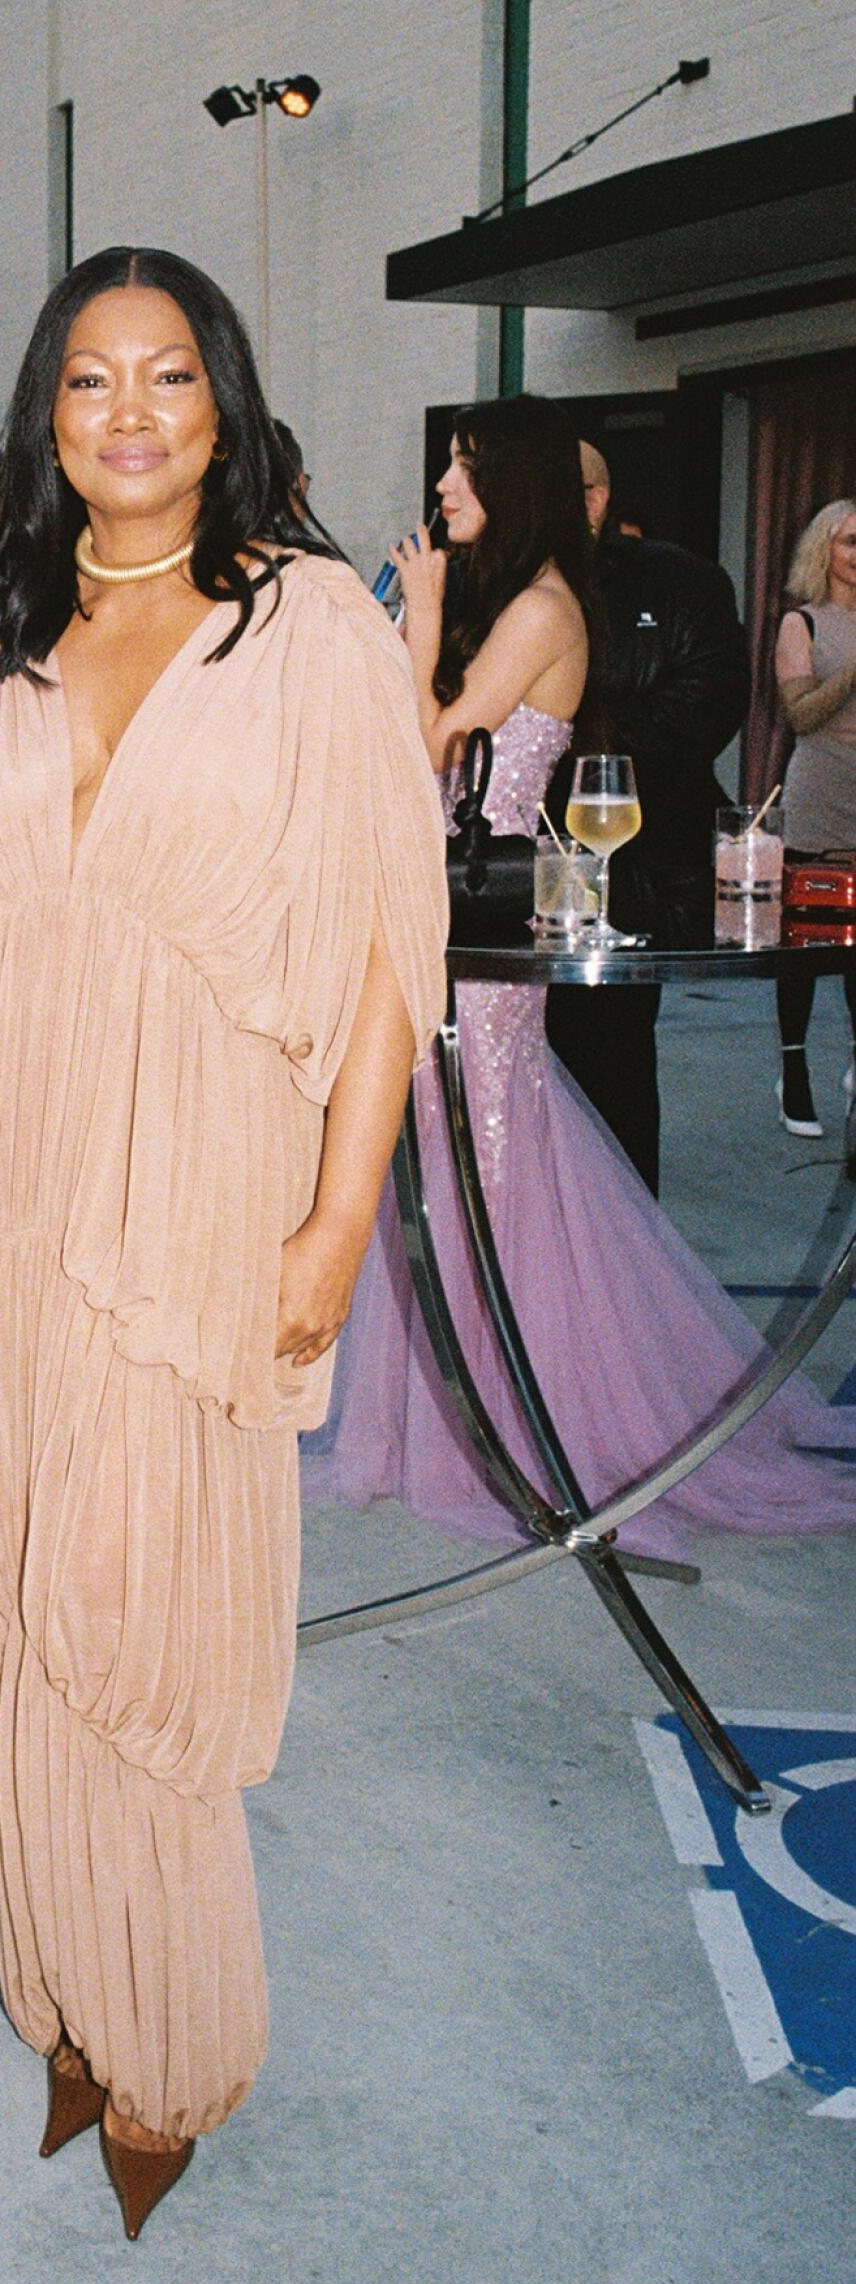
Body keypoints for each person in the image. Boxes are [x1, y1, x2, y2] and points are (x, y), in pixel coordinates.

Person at [0, 248, 446, 2236]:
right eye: (91, 379)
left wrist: (334, 1214)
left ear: (224, 405)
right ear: (46, 411)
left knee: (142, 1608)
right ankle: (63, 1994)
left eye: (171, 376)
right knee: (26, 1605)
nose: (130, 412)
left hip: (197, 1173)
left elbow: (388, 935)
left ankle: (174, 2040)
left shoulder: (310, 629)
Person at [308, 399, 856, 1555]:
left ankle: (514, 1413)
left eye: (460, 471)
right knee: (446, 1144)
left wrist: (417, 632)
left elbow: (435, 751)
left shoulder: (542, 605)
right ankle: (444, 1413)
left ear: (509, 482)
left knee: (487, 1149)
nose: (441, 489)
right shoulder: (510, 598)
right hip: (440, 917)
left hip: (486, 918)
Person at [542, 439, 749, 1187]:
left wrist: (572, 735)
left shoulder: (682, 583)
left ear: (596, 501)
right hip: (499, 869)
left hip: (635, 872)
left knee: (610, 1072)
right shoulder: (479, 583)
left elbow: (706, 708)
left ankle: (616, 1263)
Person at [770, 499, 856, 1137]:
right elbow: (800, 715)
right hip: (821, 791)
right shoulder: (803, 622)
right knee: (804, 940)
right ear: (823, 549)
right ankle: (792, 1069)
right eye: (851, 542)